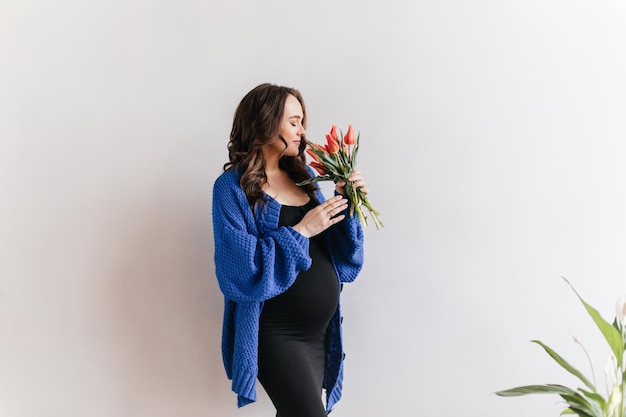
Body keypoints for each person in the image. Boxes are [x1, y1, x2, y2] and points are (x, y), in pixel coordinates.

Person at [212, 83, 366, 417]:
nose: (302, 130)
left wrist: (347, 202)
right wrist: (301, 231)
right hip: (275, 333)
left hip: (319, 333)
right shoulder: (232, 189)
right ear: (266, 123)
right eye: (293, 121)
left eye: (302, 121)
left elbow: (343, 259)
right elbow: (237, 272)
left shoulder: (304, 176)